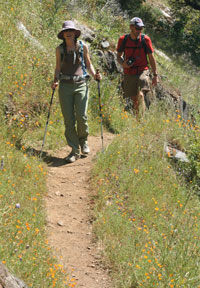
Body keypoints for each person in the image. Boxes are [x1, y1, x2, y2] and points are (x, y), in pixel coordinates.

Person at [52, 20, 101, 163]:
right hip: (65, 86)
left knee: (82, 116)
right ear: (63, 34)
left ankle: (83, 141)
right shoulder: (59, 49)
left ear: (75, 33)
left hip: (81, 84)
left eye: (71, 31)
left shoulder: (83, 47)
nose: (68, 33)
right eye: (66, 32)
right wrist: (55, 80)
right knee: (69, 120)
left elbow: (88, 64)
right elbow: (57, 68)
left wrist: (95, 75)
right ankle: (74, 150)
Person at [117, 17, 158, 118]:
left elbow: (151, 58)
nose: (139, 31)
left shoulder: (145, 40)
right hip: (129, 72)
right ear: (131, 27)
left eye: (141, 28)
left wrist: (155, 75)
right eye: (137, 28)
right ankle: (138, 120)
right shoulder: (123, 40)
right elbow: (118, 56)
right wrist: (123, 64)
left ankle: (142, 119)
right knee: (135, 99)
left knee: (140, 95)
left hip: (142, 71)